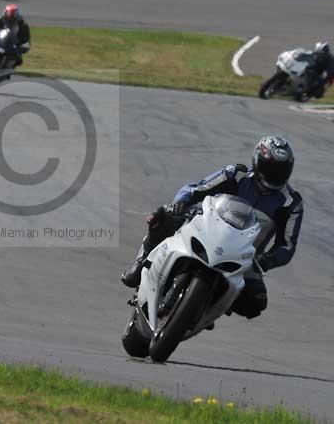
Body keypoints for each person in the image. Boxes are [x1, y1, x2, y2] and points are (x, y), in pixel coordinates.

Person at [121, 136, 304, 321]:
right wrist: (180, 203)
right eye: (270, 168)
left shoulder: (291, 203)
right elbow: (196, 188)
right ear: (257, 162)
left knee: (256, 302)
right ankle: (141, 263)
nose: (275, 175)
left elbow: (287, 246)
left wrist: (266, 261)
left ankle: (204, 310)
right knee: (162, 217)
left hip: (243, 256)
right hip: (206, 229)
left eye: (281, 170)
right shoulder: (236, 175)